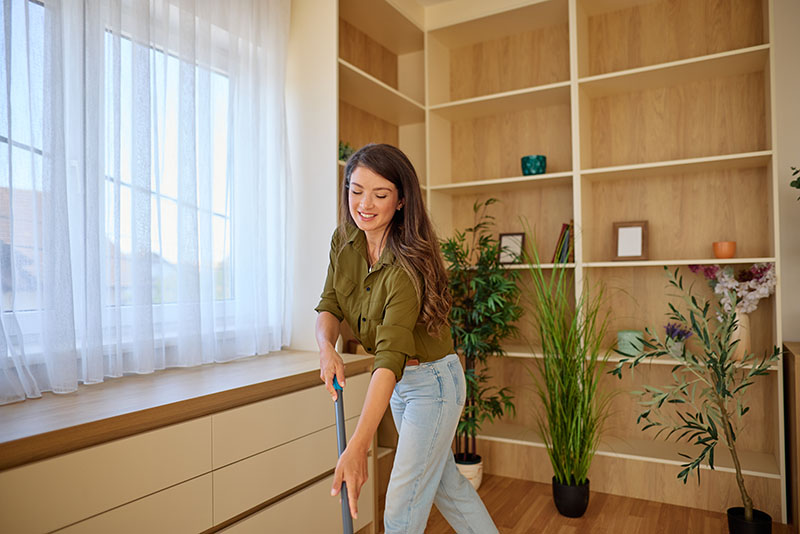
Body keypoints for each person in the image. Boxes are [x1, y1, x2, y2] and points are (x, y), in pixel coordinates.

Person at [315, 143, 499, 533]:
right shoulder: (344, 240)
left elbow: (388, 359)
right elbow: (329, 304)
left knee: (401, 510)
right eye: (356, 190)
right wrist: (326, 349)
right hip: (402, 386)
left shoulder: (406, 266)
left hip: (432, 384)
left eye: (380, 194)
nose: (364, 203)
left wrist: (358, 447)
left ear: (400, 201)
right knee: (449, 487)